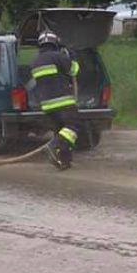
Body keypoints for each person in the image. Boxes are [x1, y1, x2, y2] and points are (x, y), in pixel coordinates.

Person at [30, 30, 80, 170]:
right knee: (73, 128)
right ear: (55, 43)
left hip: (47, 106)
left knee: (61, 131)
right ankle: (54, 146)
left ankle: (64, 161)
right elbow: (74, 70)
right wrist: (73, 58)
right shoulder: (57, 56)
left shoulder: (35, 62)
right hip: (63, 102)